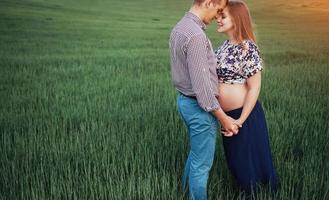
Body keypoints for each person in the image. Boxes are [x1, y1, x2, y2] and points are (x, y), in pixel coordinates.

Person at [169, 0, 243, 199]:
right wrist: (224, 118)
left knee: (196, 155)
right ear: (209, 2)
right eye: (218, 10)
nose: (217, 17)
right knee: (202, 164)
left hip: (184, 102)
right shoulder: (195, 36)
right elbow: (204, 92)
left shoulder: (180, 27)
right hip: (199, 109)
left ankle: (185, 191)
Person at [214, 0, 278, 195]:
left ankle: (261, 193)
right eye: (218, 15)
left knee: (250, 159)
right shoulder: (224, 46)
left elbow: (254, 87)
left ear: (237, 19)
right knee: (236, 159)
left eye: (222, 16)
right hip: (227, 116)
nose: (218, 19)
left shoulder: (247, 48)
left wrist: (240, 120)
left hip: (244, 116)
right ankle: (247, 192)